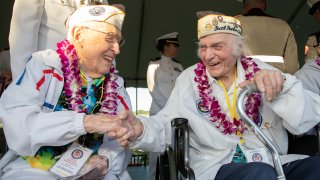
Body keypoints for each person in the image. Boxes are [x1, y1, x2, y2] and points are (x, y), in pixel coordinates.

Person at [112, 12, 320, 179]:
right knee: (259, 173)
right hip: (218, 164)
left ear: (239, 47)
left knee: (314, 167)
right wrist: (140, 129)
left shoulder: (264, 71)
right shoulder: (189, 79)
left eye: (217, 47)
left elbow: (305, 120)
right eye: (203, 47)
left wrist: (282, 87)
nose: (208, 55)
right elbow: (167, 124)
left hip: (271, 159)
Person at [0, 5, 132, 179]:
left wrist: (104, 162)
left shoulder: (116, 85)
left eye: (118, 41)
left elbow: (123, 140)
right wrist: (85, 122)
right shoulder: (45, 66)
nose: (117, 49)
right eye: (110, 38)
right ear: (78, 35)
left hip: (93, 167)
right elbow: (19, 125)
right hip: (36, 165)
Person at [9, 0, 109, 80]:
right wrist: (23, 87)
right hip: (47, 81)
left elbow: (105, 40)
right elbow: (21, 41)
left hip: (89, 83)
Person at [146, 32, 183, 180]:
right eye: (175, 45)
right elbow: (152, 88)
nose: (177, 49)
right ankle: (153, 177)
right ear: (166, 46)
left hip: (176, 113)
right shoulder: (154, 64)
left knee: (176, 147)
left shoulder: (179, 65)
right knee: (156, 148)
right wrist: (169, 107)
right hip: (159, 111)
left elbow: (182, 89)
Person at [236, 0, 299, 75]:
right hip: (278, 80)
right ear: (264, 4)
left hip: (245, 79)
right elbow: (292, 66)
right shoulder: (283, 25)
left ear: (244, 6)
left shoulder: (235, 23)